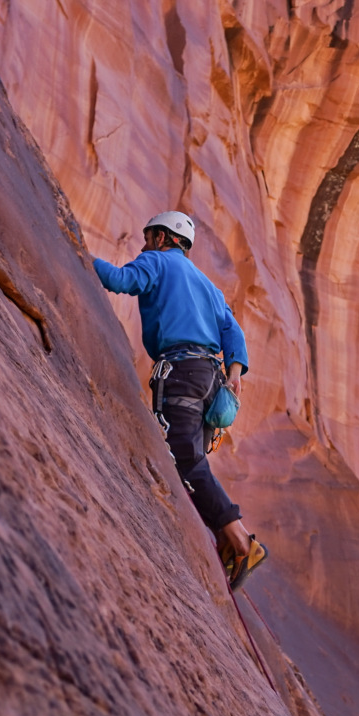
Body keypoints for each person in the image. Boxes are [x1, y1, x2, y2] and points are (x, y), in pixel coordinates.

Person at [94, 211, 267, 590]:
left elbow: (120, 280)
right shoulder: (207, 285)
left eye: (148, 237)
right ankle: (225, 539)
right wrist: (235, 372)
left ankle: (241, 542)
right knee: (194, 461)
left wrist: (79, 252)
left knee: (184, 458)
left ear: (162, 237)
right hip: (211, 378)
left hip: (181, 372)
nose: (144, 245)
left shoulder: (157, 261)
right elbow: (232, 331)